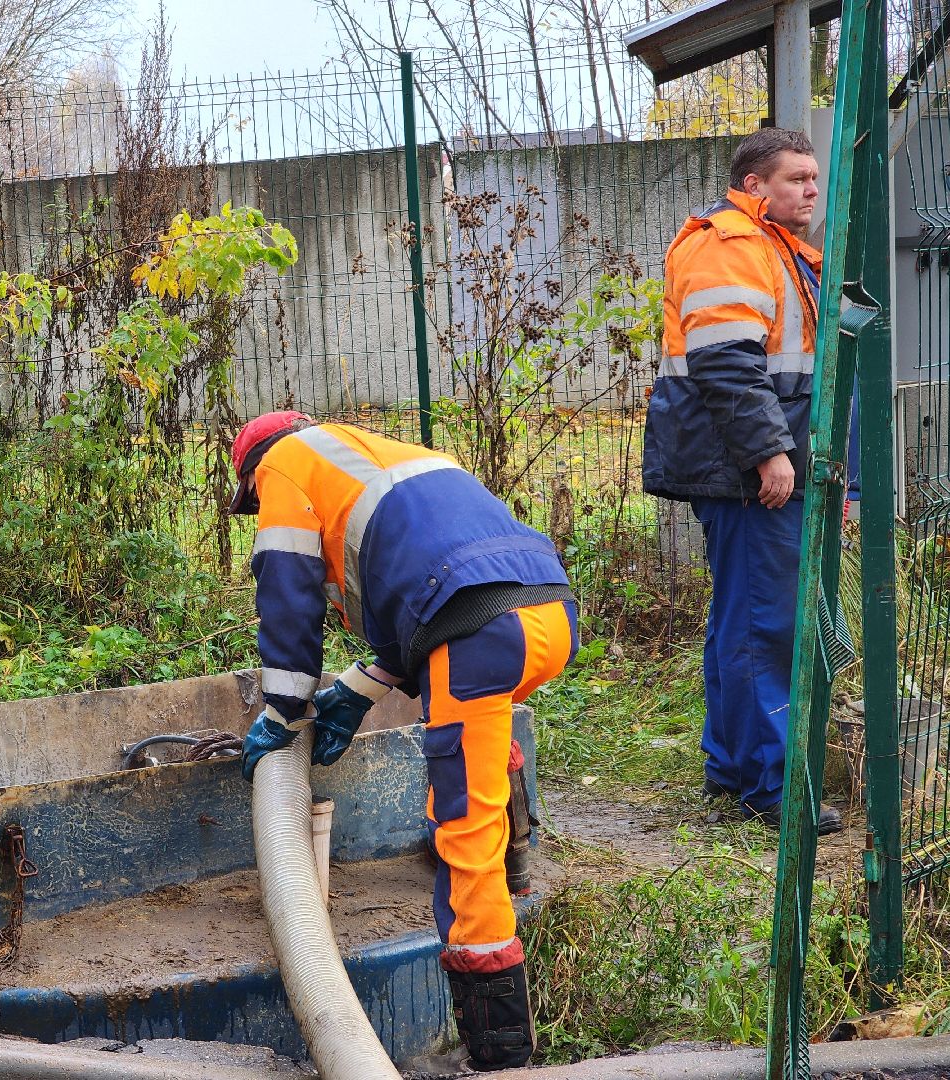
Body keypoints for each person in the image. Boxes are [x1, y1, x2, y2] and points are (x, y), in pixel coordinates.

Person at [231, 412, 578, 1071]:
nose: (258, 510)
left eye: (251, 502)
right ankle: (518, 866)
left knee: (464, 829)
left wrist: (284, 710)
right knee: (484, 747)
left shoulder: (282, 466)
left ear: (252, 474)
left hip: (479, 631)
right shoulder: (382, 454)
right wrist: (358, 689)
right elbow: (427, 584)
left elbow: (288, 592)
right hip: (547, 614)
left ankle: (499, 1050)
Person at [642, 127, 843, 836]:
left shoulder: (777, 247)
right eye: (796, 179)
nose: (811, 190)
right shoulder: (730, 243)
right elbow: (726, 361)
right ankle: (772, 787)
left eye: (813, 178)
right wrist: (770, 455)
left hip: (759, 464)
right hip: (750, 470)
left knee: (745, 618)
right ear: (754, 185)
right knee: (766, 623)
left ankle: (734, 770)